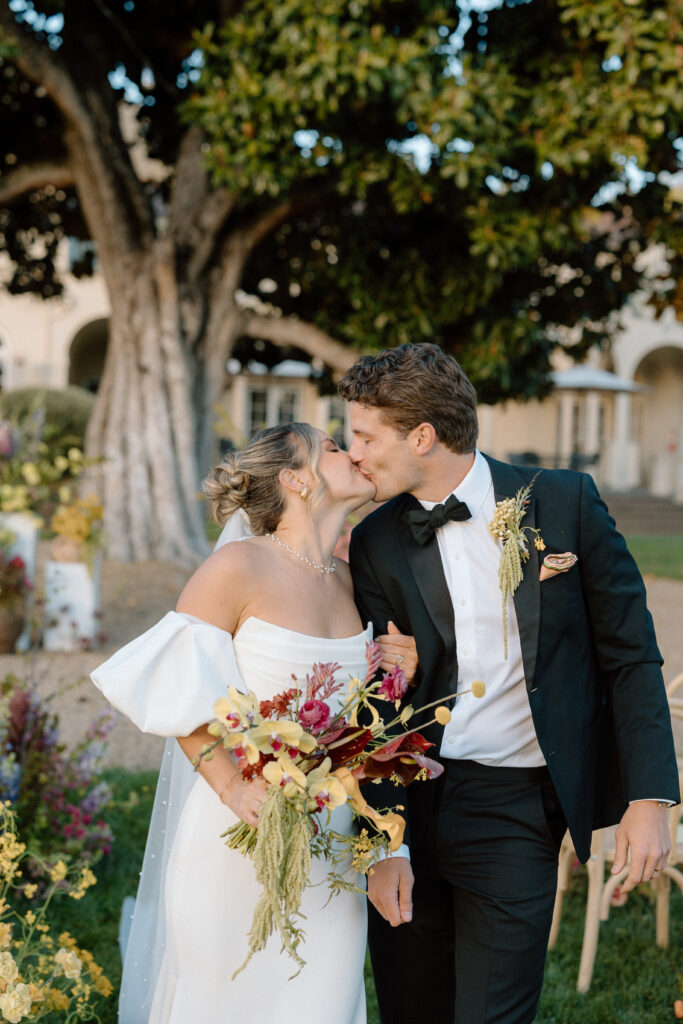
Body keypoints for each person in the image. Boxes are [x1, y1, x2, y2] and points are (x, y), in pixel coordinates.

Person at [337, 343, 680, 1024]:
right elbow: (373, 700)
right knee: (411, 1008)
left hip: (514, 805)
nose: (354, 454)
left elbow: (630, 656)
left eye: (364, 436)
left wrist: (650, 797)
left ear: (423, 436)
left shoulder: (563, 502)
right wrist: (383, 841)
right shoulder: (374, 539)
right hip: (409, 797)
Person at [91, 423, 416, 1024]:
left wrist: (397, 670)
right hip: (238, 832)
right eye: (337, 448)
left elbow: (361, 718)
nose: (356, 454)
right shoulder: (237, 568)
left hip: (331, 841)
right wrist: (233, 786)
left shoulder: (350, 580)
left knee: (319, 999)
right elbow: (175, 692)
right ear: (297, 478)